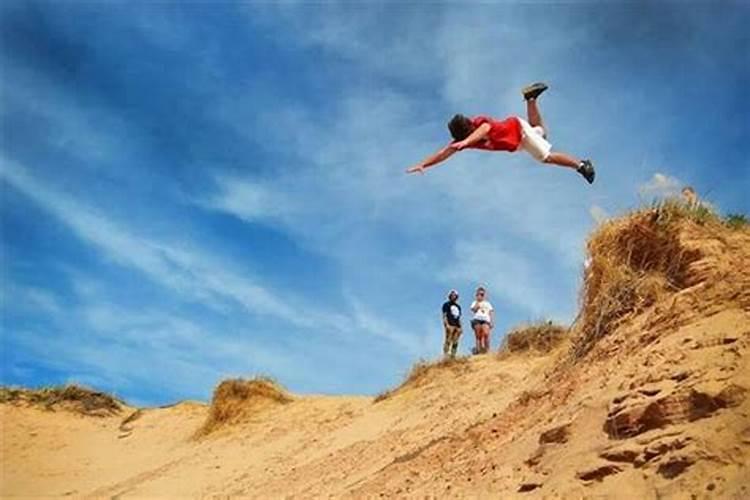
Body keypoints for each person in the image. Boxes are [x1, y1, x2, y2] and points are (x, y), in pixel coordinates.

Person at [405, 82, 596, 184]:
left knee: (545, 157)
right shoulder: (464, 140)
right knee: (542, 133)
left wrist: (465, 142)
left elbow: (485, 129)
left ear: (469, 128)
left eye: (467, 137)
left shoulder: (478, 122)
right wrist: (423, 164)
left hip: (518, 131)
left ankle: (581, 165)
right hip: (518, 142)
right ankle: (531, 99)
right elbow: (443, 153)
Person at [470, 286, 494, 354]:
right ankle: (479, 351)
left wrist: (491, 321)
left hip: (486, 320)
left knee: (486, 334)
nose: (481, 295)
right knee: (478, 336)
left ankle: (487, 351)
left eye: (482, 294)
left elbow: (491, 312)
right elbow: (474, 310)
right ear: (477, 295)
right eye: (479, 294)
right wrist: (478, 301)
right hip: (477, 319)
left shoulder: (488, 303)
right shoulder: (474, 302)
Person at [441, 289, 462, 358]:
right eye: (452, 295)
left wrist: (461, 327)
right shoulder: (446, 304)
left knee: (456, 341)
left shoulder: (458, 307)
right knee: (448, 339)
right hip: (450, 324)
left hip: (457, 325)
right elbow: (444, 315)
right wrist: (446, 324)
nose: (453, 296)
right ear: (450, 296)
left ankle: (453, 355)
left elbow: (459, 317)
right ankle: (445, 355)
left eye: (455, 295)